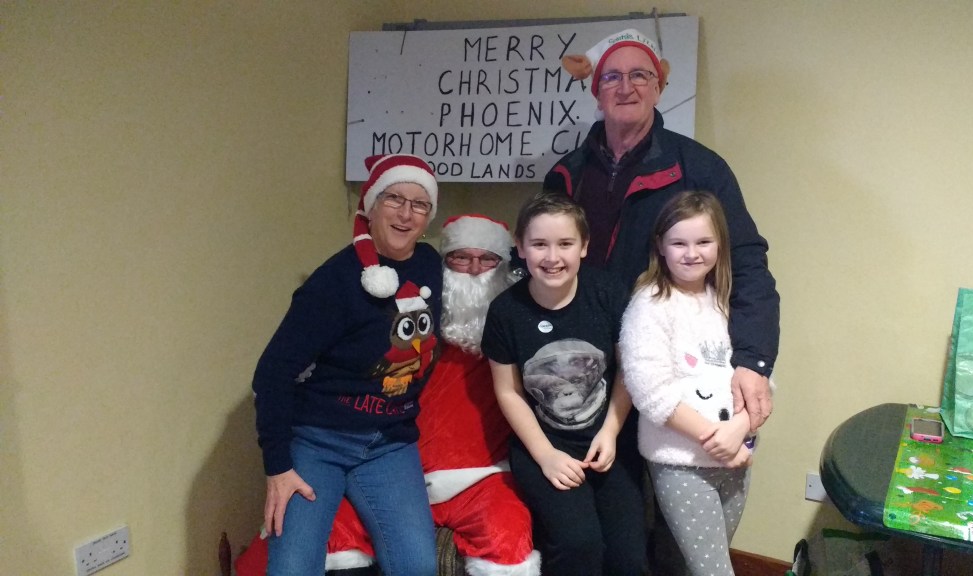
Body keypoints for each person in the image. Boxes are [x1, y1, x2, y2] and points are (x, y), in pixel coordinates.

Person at [236, 215, 541, 576]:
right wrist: (278, 466)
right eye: (460, 257)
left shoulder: (515, 328)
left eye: (488, 259)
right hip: (331, 443)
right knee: (300, 559)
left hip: (418, 457)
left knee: (449, 555)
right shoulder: (350, 284)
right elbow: (274, 372)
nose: (474, 270)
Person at [551, 28, 780, 431]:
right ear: (596, 93)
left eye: (640, 75)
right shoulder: (566, 175)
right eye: (612, 77)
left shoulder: (701, 168)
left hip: (675, 374)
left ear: (659, 89)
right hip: (583, 367)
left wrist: (753, 360)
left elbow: (745, 263)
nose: (626, 88)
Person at [251, 154, 442, 576]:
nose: (406, 214)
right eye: (394, 199)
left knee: (418, 566)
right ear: (371, 206)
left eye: (419, 204)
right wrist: (278, 467)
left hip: (390, 442)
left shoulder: (431, 265)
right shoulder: (334, 281)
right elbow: (272, 373)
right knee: (291, 570)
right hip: (319, 441)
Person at [481, 193, 646, 576]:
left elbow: (629, 371)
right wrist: (545, 455)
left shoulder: (608, 294)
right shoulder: (505, 312)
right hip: (544, 444)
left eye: (565, 244)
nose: (552, 257)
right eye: (539, 244)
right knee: (578, 545)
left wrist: (610, 431)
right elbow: (508, 391)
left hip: (609, 440)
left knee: (628, 558)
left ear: (584, 246)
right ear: (521, 246)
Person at [620, 191, 764, 576]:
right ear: (660, 246)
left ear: (720, 244)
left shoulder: (727, 302)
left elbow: (759, 378)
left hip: (738, 457)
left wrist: (740, 428)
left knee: (690, 565)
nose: (692, 253)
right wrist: (716, 440)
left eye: (703, 242)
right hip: (681, 464)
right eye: (679, 243)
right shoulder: (650, 305)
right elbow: (651, 392)